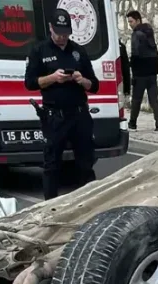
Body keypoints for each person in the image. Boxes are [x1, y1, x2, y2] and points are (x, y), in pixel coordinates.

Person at [24, 8, 99, 201]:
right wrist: (53, 78)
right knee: (52, 165)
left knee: (85, 163)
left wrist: (82, 80)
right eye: (59, 33)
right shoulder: (39, 50)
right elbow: (30, 83)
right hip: (55, 116)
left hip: (79, 114)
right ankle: (50, 206)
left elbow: (94, 85)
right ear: (50, 28)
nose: (62, 38)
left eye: (65, 34)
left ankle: (89, 202)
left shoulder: (78, 51)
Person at [126, 10, 158, 132]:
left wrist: (132, 66)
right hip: (152, 72)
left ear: (137, 20)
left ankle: (132, 124)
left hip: (140, 73)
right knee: (154, 100)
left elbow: (135, 53)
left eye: (131, 21)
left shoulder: (136, 34)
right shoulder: (149, 32)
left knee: (136, 99)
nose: (129, 24)